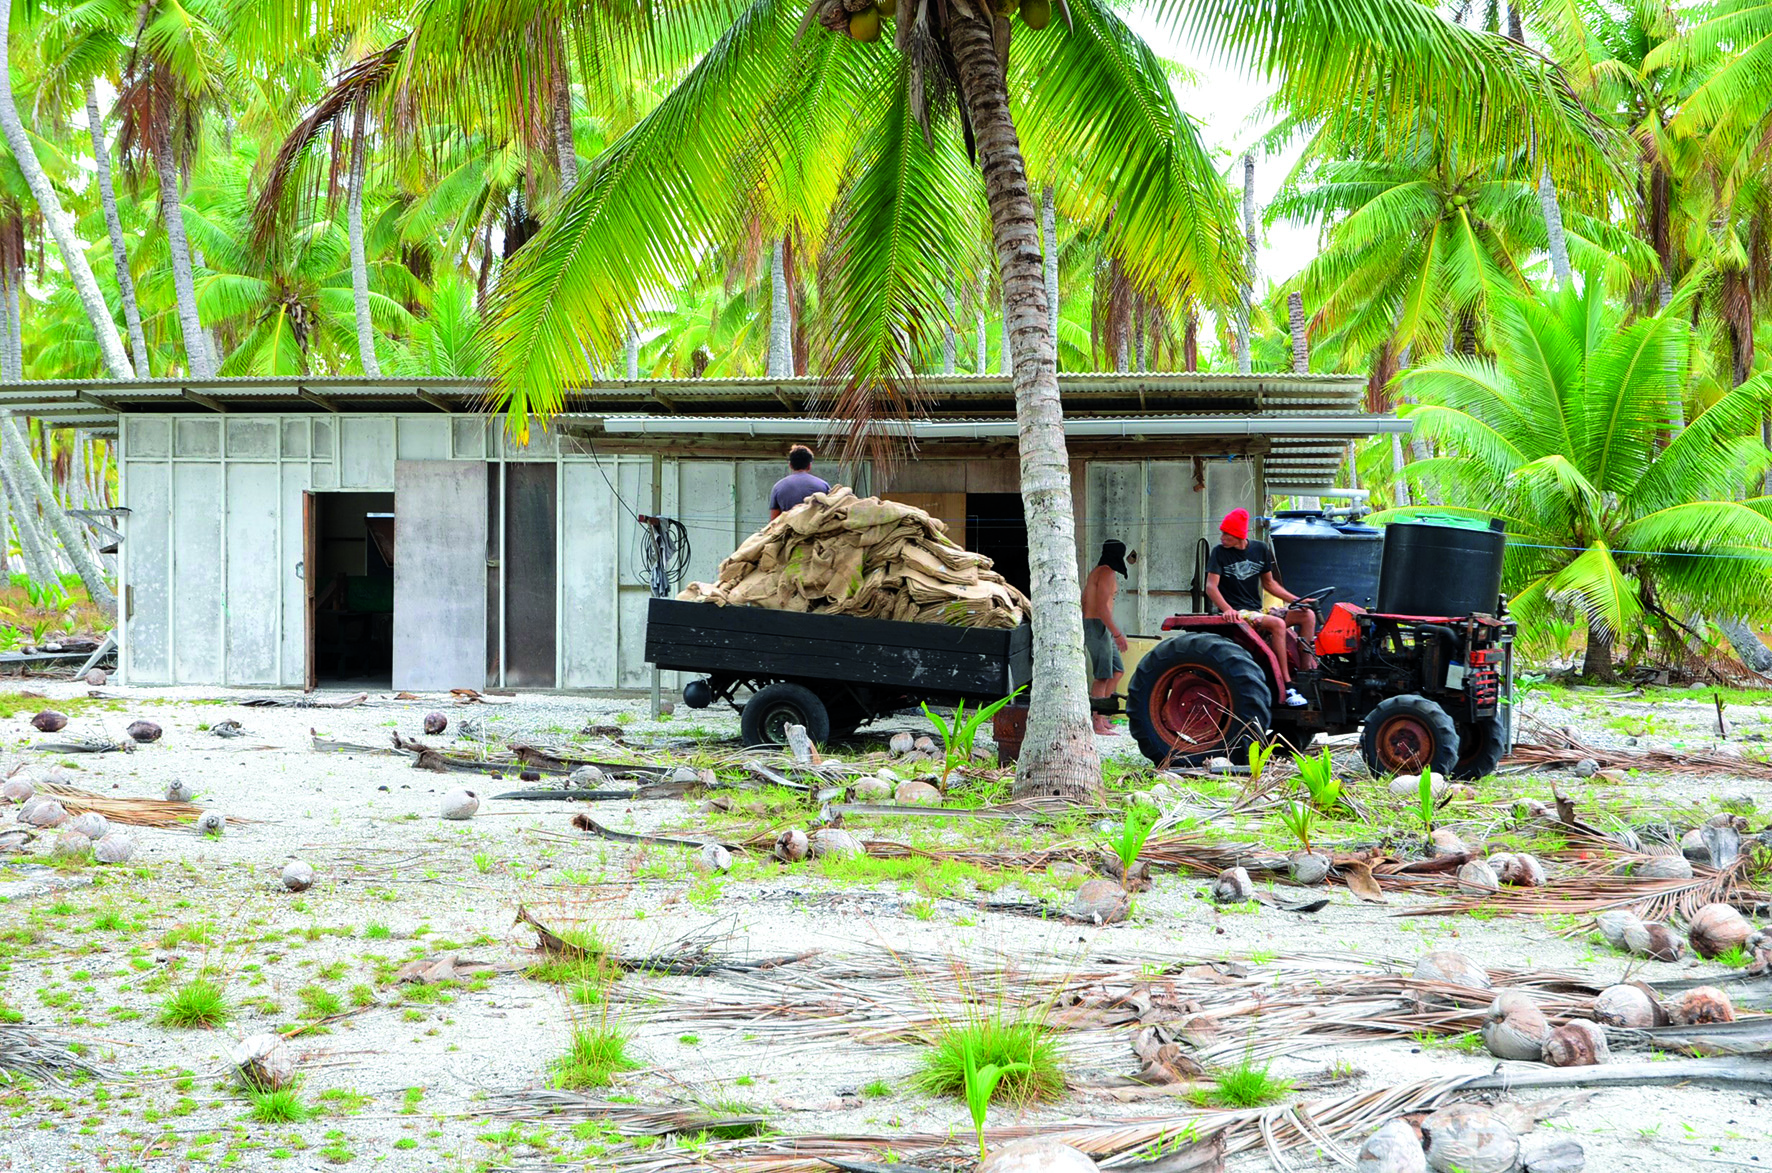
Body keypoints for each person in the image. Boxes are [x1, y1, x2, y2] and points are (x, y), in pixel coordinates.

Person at [1204, 508, 1317, 708]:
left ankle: (1306, 674)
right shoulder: (1219, 553)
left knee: (1306, 615)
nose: (1222, 537)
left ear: (1238, 535)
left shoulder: (1260, 549)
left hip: (1256, 611)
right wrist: (1227, 609)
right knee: (1276, 624)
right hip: (1238, 613)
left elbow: (1270, 584)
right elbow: (1211, 587)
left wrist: (1298, 600)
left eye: (1226, 534)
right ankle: (1287, 685)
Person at [1082, 539, 1132, 735]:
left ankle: (1103, 715)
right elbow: (1102, 607)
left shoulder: (1097, 572)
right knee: (1102, 676)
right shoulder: (1105, 572)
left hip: (1098, 626)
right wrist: (1117, 634)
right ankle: (1097, 722)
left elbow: (1085, 599)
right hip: (1096, 625)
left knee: (1117, 670)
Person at [769, 444, 832, 519]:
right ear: (809, 465)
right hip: (816, 529)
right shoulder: (823, 485)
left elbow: (774, 521)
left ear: (790, 465)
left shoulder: (778, 487)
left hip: (788, 529)